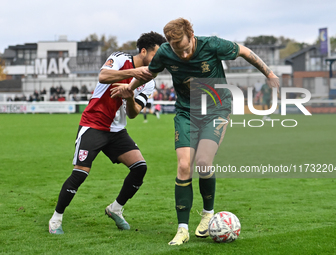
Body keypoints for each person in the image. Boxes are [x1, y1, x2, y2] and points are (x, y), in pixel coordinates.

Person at [111, 18, 280, 245]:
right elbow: (150, 73)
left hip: (217, 110)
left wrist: (268, 73)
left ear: (191, 35)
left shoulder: (212, 45)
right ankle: (182, 230)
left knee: (202, 162)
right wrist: (128, 88)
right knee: (183, 165)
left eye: (185, 47)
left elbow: (244, 51)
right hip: (186, 112)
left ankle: (207, 214)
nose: (181, 54)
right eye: (176, 49)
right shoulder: (165, 52)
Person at [48, 31, 166, 234]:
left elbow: (133, 113)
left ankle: (116, 209)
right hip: (93, 124)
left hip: (117, 131)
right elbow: (103, 76)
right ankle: (56, 219)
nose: (160, 61)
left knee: (140, 168)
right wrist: (133, 74)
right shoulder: (121, 58)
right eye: (157, 55)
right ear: (144, 51)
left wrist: (129, 96)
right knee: (80, 173)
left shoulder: (150, 82)